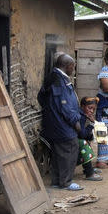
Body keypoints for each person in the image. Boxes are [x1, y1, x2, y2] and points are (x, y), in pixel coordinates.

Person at [37, 54, 83, 191]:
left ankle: (57, 181)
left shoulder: (51, 77)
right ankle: (66, 182)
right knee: (69, 150)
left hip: (53, 123)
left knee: (58, 153)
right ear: (68, 66)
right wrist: (76, 122)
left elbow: (41, 97)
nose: (73, 69)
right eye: (73, 67)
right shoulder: (60, 81)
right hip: (62, 125)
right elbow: (66, 107)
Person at [77, 97, 103, 181]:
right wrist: (91, 124)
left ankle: (88, 168)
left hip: (75, 137)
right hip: (72, 138)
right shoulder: (80, 116)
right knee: (83, 143)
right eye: (89, 108)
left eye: (93, 109)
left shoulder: (83, 115)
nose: (91, 111)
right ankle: (89, 173)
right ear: (82, 106)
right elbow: (82, 134)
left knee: (86, 141)